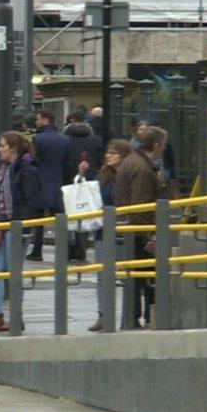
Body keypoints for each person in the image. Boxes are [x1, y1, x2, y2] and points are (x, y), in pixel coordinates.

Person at [0, 131, 40, 332]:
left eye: (2, 145)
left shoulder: (25, 169)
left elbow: (31, 200)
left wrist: (22, 224)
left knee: (14, 272)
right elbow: (2, 193)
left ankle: (16, 317)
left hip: (14, 226)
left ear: (13, 148)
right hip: (0, 226)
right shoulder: (4, 169)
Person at [116, 126, 168, 329]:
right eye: (162, 145)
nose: (163, 149)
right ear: (155, 145)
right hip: (139, 230)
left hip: (132, 228)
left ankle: (136, 317)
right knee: (145, 276)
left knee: (138, 277)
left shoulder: (133, 161)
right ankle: (142, 317)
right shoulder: (142, 169)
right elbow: (140, 205)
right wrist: (148, 235)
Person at [82, 139, 132, 332]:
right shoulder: (103, 175)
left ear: (124, 155)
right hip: (103, 231)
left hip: (123, 231)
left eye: (113, 153)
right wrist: (82, 175)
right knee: (103, 276)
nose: (107, 156)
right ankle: (103, 315)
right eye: (107, 152)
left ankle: (128, 317)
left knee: (127, 275)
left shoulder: (128, 175)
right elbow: (93, 195)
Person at [28, 110, 69, 261]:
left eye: (38, 119)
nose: (36, 122)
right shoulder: (64, 139)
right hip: (58, 184)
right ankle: (63, 252)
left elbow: (30, 159)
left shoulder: (37, 139)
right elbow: (68, 163)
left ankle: (36, 251)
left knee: (38, 221)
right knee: (60, 221)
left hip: (40, 184)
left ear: (45, 120)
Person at [64, 111, 104, 262]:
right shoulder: (95, 140)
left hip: (70, 181)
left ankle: (69, 248)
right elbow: (100, 160)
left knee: (70, 213)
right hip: (91, 180)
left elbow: (65, 161)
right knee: (86, 211)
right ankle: (81, 249)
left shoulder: (65, 139)